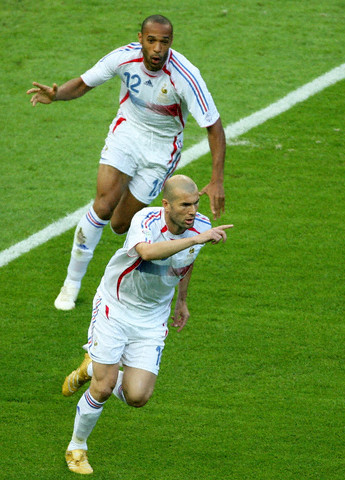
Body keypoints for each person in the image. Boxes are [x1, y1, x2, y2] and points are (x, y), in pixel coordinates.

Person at [27, 14, 226, 311]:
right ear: (140, 39)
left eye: (165, 42)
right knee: (104, 204)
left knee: (120, 225)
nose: (158, 48)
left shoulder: (184, 75)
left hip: (161, 152)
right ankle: (72, 282)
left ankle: (122, 254)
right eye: (152, 40)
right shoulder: (124, 58)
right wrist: (57, 95)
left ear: (171, 43)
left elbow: (214, 127)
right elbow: (84, 83)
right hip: (127, 134)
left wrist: (217, 178)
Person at [61, 174, 232, 474]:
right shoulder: (147, 219)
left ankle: (91, 367)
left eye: (195, 203)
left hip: (152, 318)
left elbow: (186, 262)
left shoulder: (201, 226)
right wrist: (196, 238)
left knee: (137, 396)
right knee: (104, 387)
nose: (192, 211)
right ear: (166, 205)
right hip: (116, 306)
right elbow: (146, 252)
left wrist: (182, 301)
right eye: (184, 205)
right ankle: (77, 447)